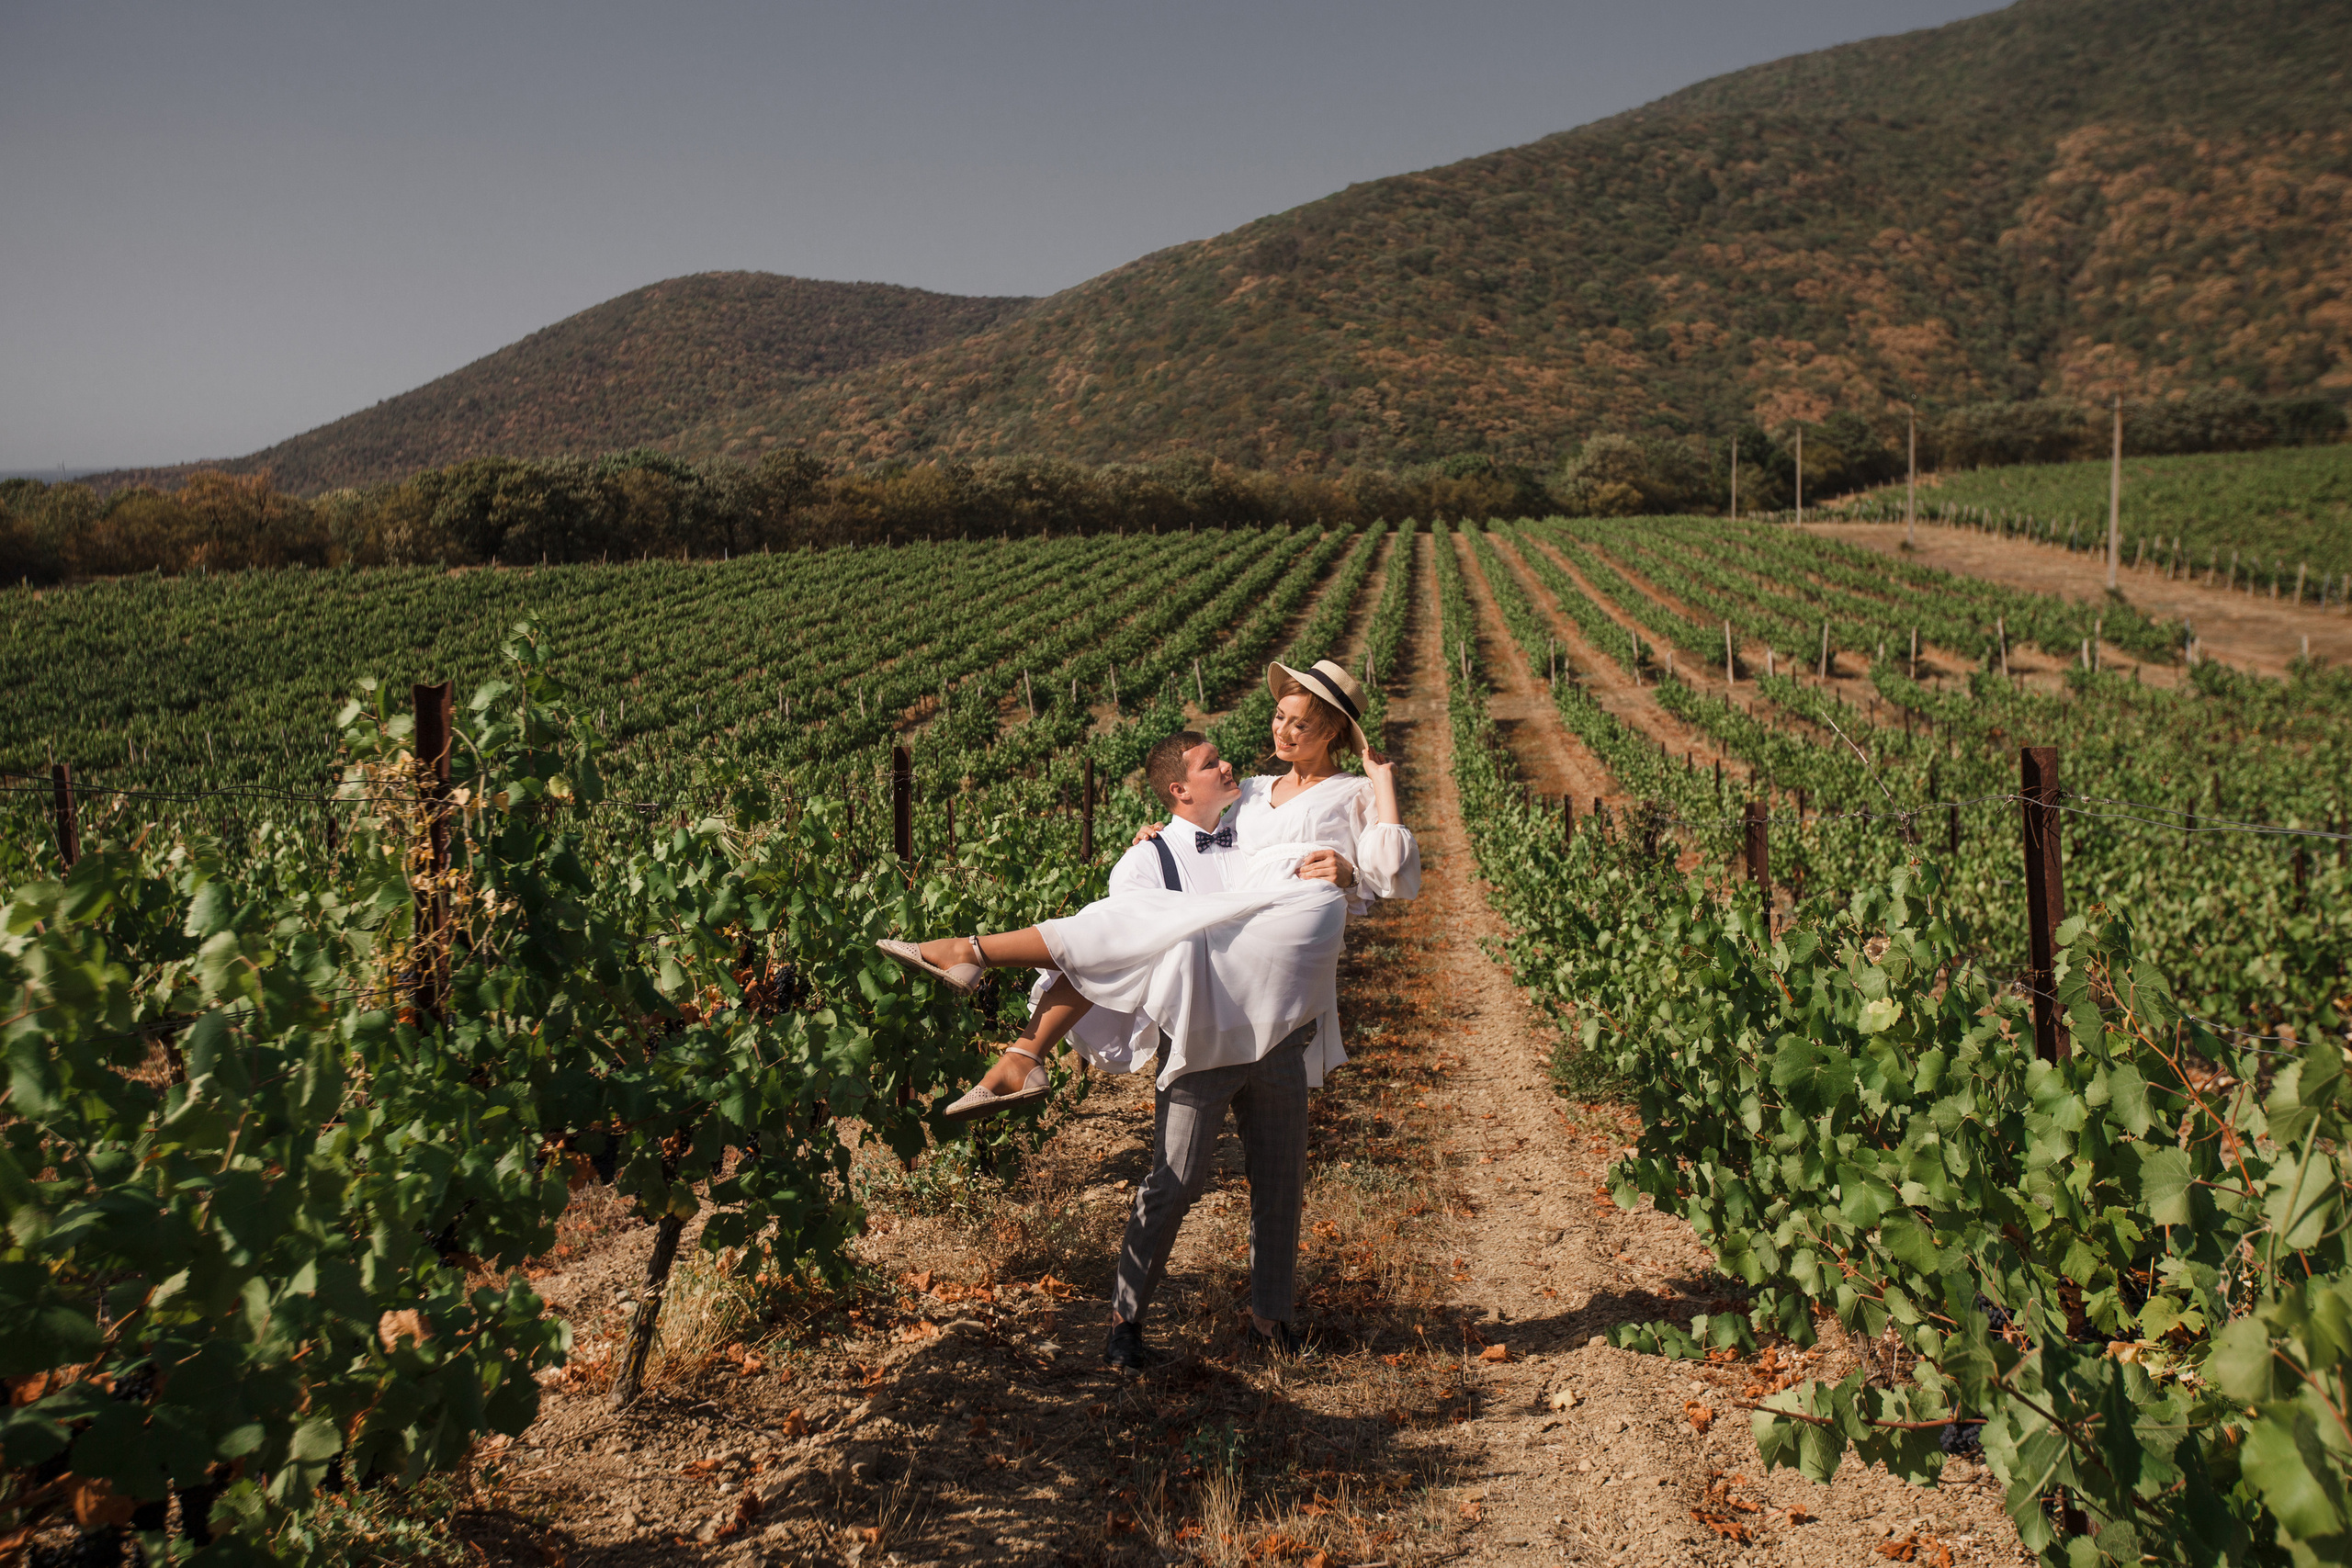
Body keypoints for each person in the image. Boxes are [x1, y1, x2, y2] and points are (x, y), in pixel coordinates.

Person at [878, 659, 1419, 1364]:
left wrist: (1373, 810)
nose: (1284, 729)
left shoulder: (1351, 792)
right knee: (1176, 1176)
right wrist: (1155, 837)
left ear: (1334, 731)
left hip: (1286, 1003)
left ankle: (1271, 1319)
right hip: (1215, 1000)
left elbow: (1391, 877)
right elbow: (1202, 836)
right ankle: (1125, 1324)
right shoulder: (1251, 794)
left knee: (1281, 1176)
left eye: (1302, 721)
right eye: (1281, 716)